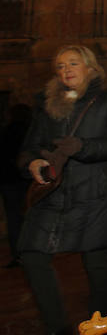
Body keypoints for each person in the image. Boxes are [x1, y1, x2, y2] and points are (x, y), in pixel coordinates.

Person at [17, 45, 107, 334]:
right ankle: (57, 327)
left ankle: (100, 325)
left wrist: (83, 147)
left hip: (96, 193)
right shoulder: (48, 104)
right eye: (60, 66)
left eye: (73, 64)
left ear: (90, 68)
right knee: (31, 253)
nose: (66, 70)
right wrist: (33, 162)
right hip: (54, 192)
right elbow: (27, 148)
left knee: (96, 260)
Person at [1, 102, 32, 268]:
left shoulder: (8, 132)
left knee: (14, 218)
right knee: (28, 217)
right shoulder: (30, 131)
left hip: (11, 182)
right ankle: (31, 253)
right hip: (27, 181)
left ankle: (19, 254)